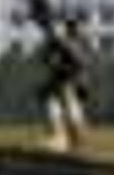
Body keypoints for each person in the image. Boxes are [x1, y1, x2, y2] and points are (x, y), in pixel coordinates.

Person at [36, 15, 93, 155]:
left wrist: (63, 46)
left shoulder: (80, 42)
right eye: (70, 26)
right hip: (61, 81)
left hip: (73, 82)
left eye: (73, 26)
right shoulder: (61, 43)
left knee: (72, 109)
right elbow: (48, 60)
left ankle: (72, 141)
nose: (71, 28)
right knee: (53, 106)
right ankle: (62, 139)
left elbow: (80, 62)